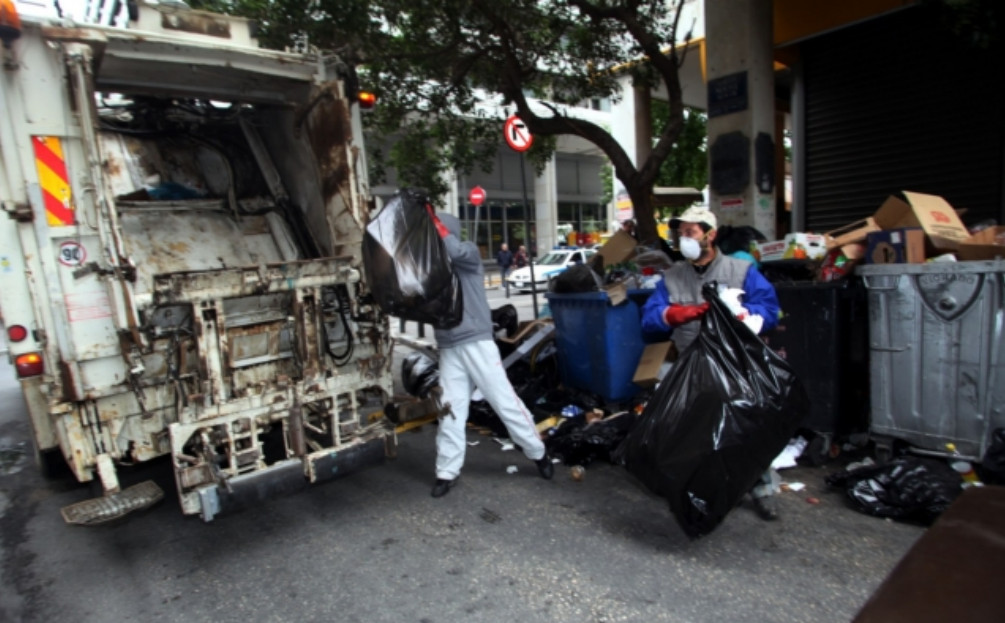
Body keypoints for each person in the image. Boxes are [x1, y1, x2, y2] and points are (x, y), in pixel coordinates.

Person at [640, 205, 783, 521]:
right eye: (680, 233)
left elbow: (770, 310)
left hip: (735, 364)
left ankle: (761, 490)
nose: (683, 238)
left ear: (710, 234)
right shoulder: (672, 277)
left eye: (690, 231)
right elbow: (650, 320)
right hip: (692, 365)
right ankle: (696, 490)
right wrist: (671, 314)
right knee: (692, 431)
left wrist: (750, 318)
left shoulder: (740, 271)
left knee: (746, 429)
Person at [427, 211, 553, 497]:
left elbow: (453, 249)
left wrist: (435, 228)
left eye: (435, 233)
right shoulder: (434, 269)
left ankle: (538, 452)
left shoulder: (467, 254)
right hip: (449, 345)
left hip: (476, 342)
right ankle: (446, 471)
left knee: (504, 401)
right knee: (449, 410)